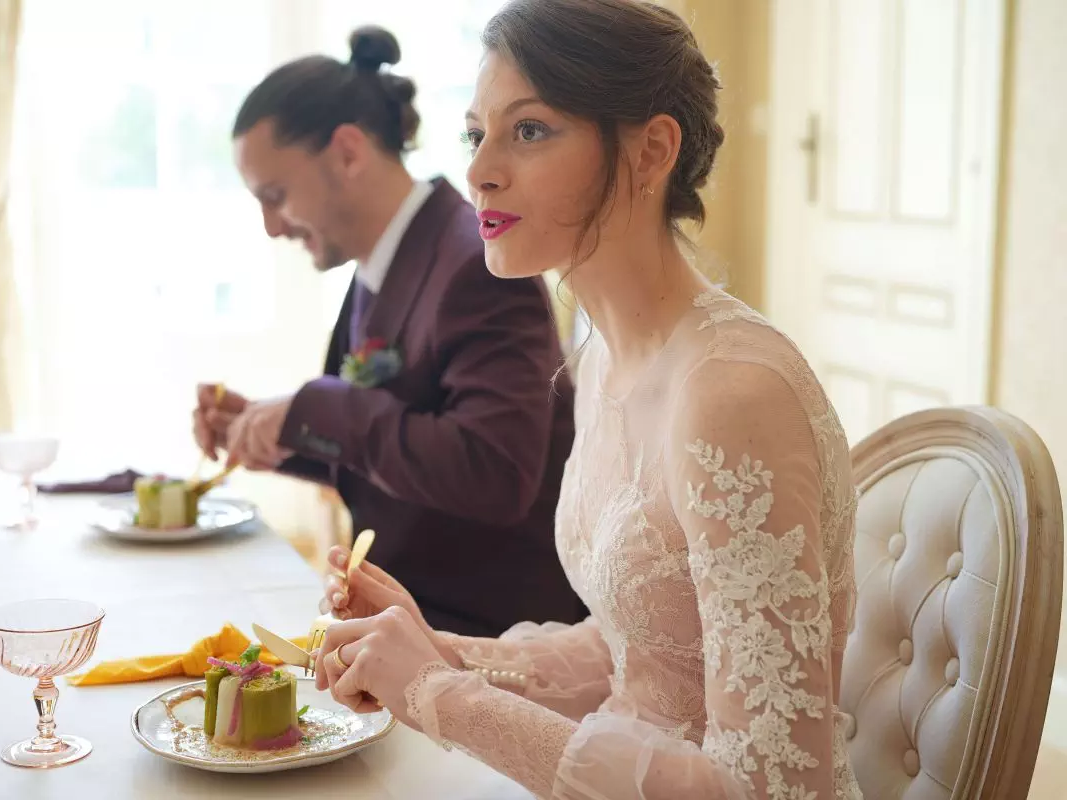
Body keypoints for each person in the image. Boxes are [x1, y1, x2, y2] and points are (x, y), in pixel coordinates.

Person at [311, 2, 863, 798]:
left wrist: (440, 696)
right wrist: (436, 652)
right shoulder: (601, 360)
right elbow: (639, 648)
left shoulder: (735, 397)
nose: (479, 171)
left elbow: (775, 787)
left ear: (652, 151)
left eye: (528, 130)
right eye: (477, 135)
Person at [192, 26, 586, 637]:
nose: (271, 227)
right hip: (405, 622)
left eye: (276, 195)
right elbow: (394, 441)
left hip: (492, 634)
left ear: (348, 152)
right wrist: (277, 428)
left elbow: (494, 472)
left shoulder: (477, 265)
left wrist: (318, 409)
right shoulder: (381, 262)